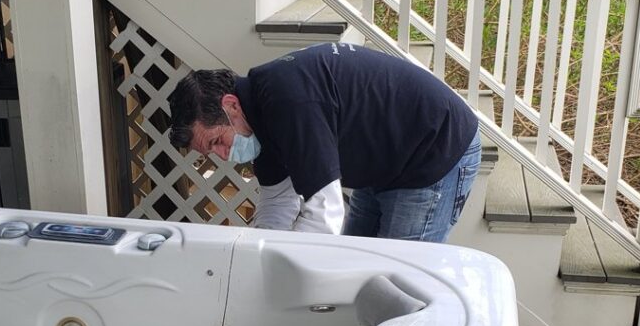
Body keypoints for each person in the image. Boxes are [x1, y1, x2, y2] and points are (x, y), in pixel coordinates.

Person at [168, 42, 481, 242]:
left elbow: (324, 216)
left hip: (434, 151)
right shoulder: (259, 116)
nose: (223, 156)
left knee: (395, 281)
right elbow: (278, 202)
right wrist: (255, 257)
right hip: (385, 163)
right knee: (354, 268)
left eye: (217, 142)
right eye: (212, 152)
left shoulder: (289, 103)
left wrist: (282, 278)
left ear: (231, 105)